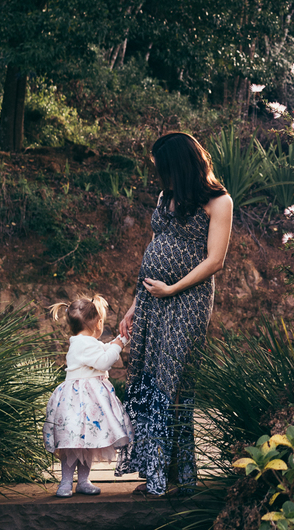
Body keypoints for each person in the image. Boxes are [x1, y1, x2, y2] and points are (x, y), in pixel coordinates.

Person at [115, 132, 233, 496]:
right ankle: (156, 473)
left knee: (174, 381)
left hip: (188, 300)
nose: (158, 177)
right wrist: (136, 304)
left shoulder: (219, 201)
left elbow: (215, 260)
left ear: (178, 166)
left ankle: (179, 476)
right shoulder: (167, 196)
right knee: (150, 379)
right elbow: (156, 245)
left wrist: (172, 288)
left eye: (162, 169)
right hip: (152, 298)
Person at [43, 295, 133, 498]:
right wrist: (119, 345)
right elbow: (104, 361)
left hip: (85, 402)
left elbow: (105, 349)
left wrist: (122, 340)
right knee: (73, 444)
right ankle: (66, 482)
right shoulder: (83, 344)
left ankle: (82, 481)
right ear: (98, 323)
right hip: (78, 402)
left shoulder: (84, 342)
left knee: (87, 443)